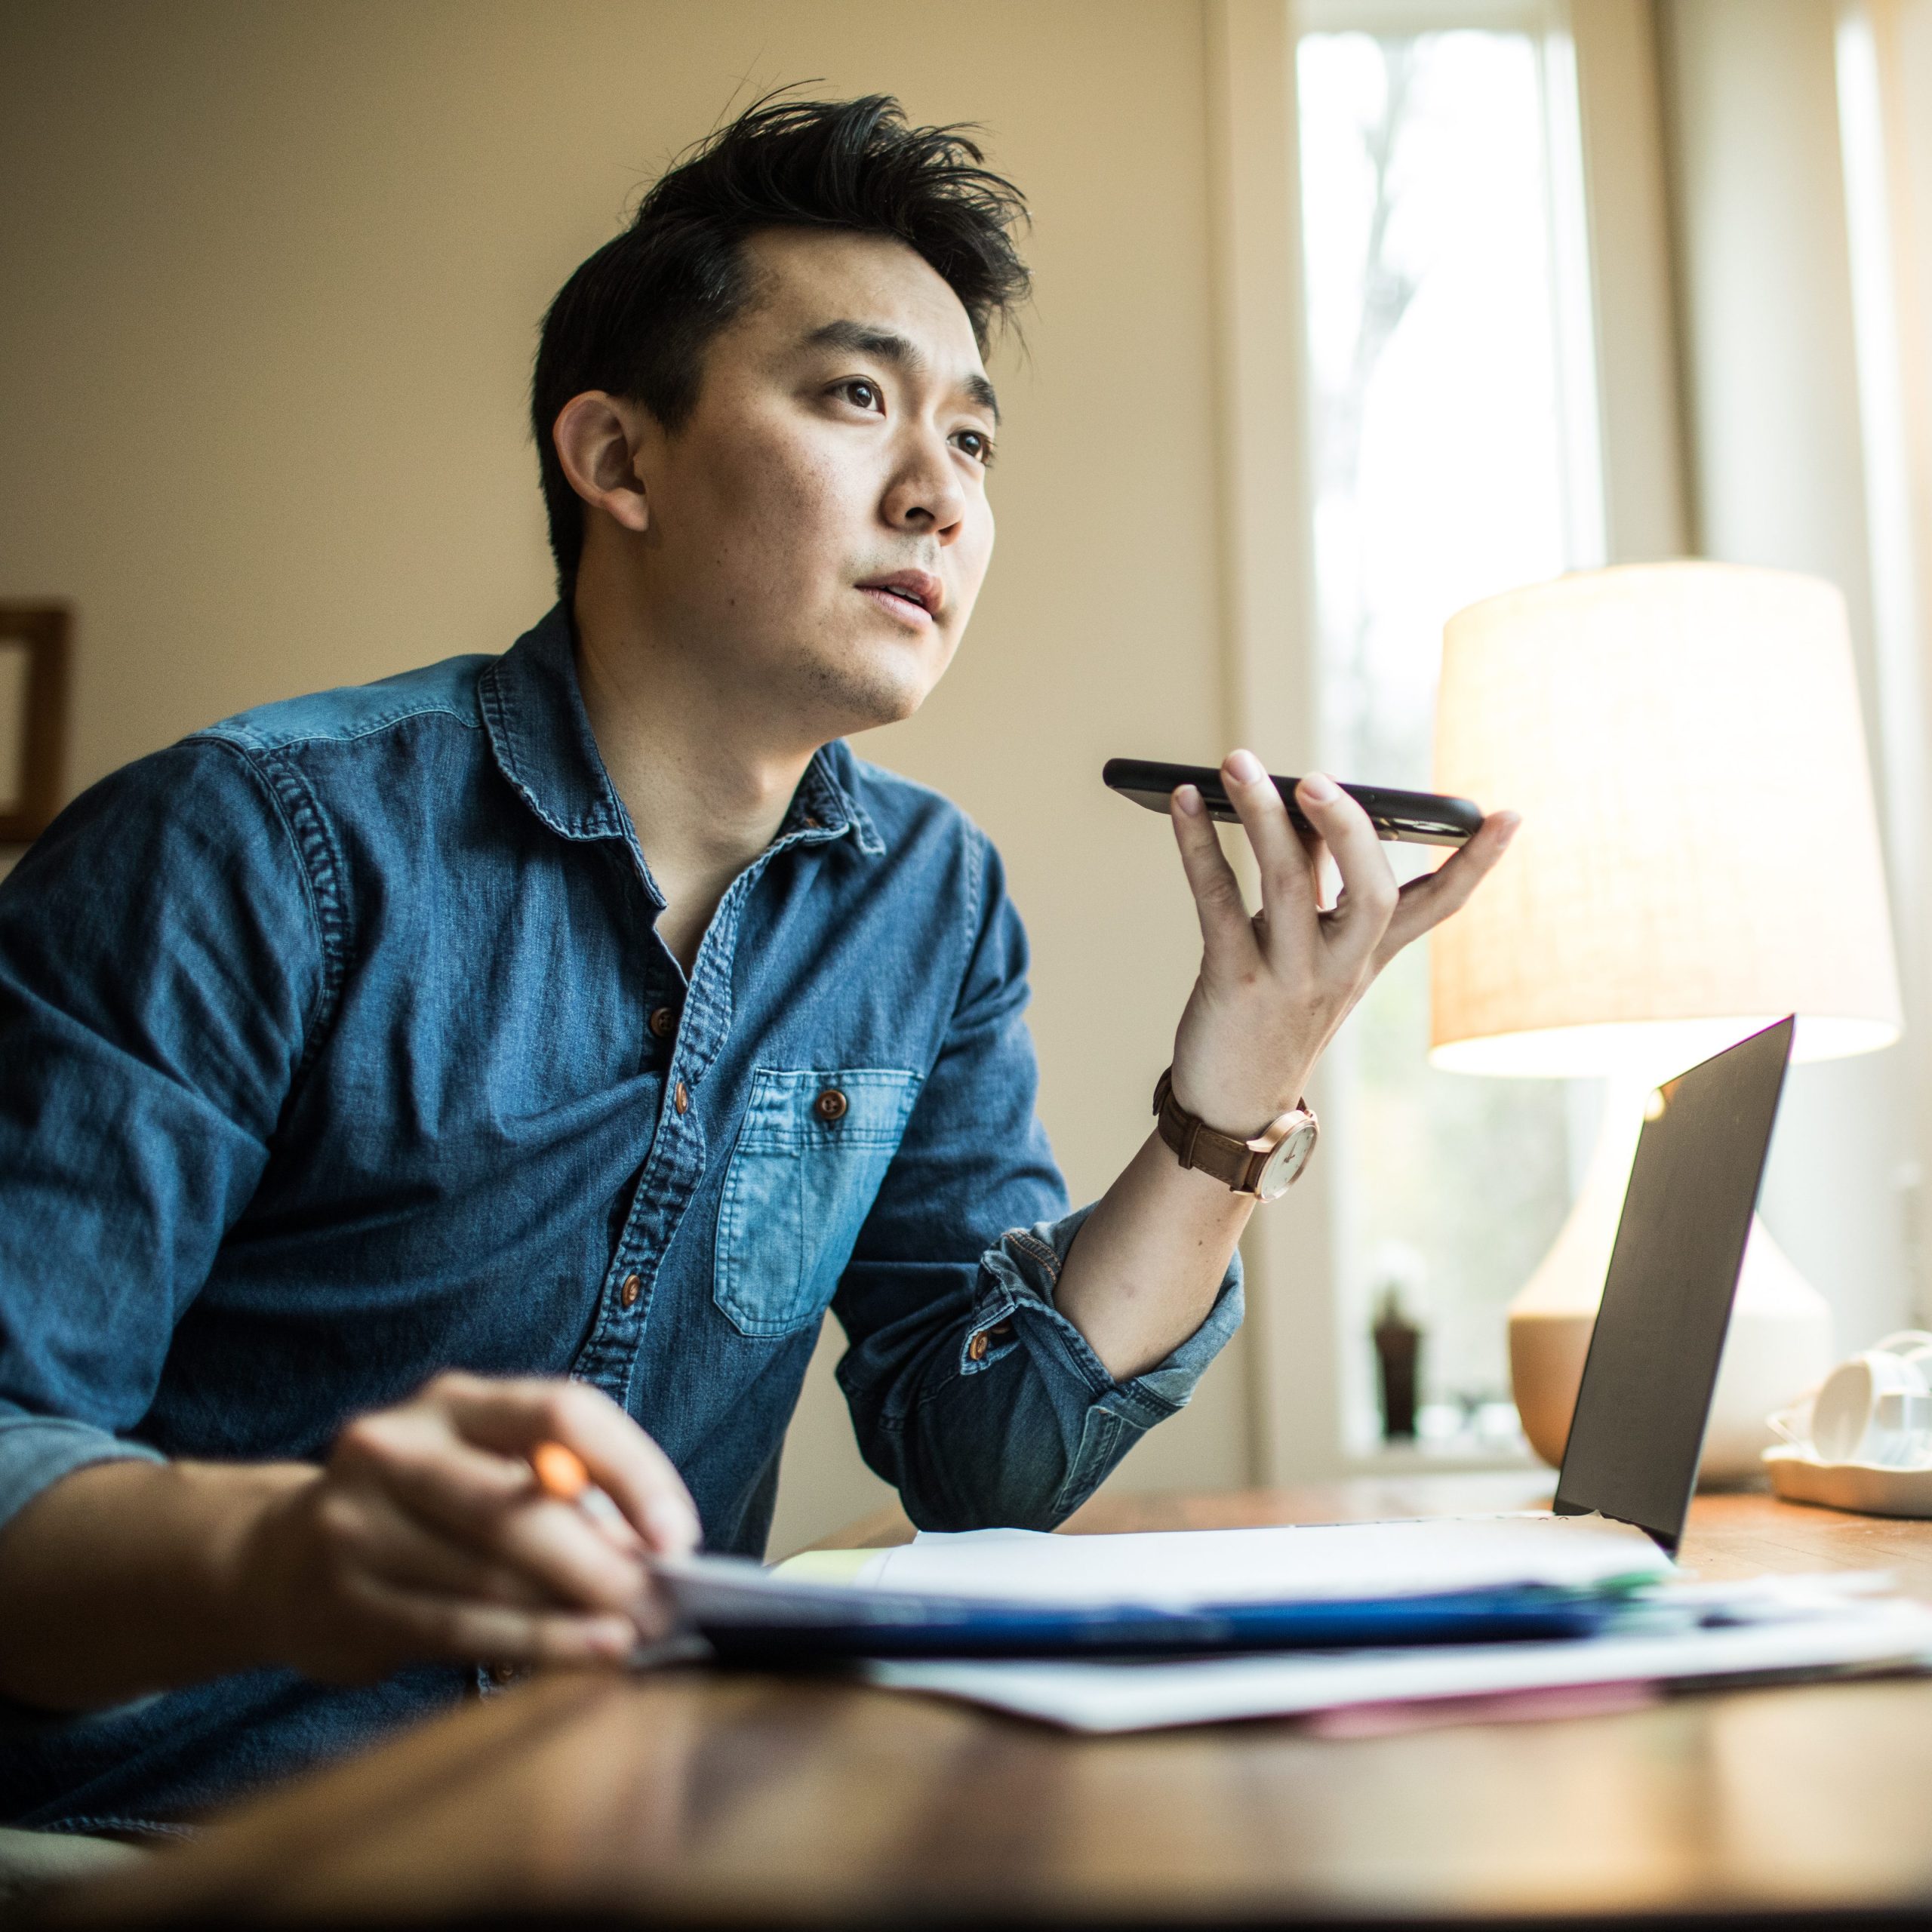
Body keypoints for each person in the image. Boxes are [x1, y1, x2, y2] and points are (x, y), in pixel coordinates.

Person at [0, 94, 1515, 1834]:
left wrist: (1243, 1077)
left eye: (973, 439)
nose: (937, 491)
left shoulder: (925, 904)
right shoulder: (244, 847)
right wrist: (291, 1545)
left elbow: (982, 1458)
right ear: (617, 458)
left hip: (620, 1831)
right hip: (166, 1848)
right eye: (856, 396)